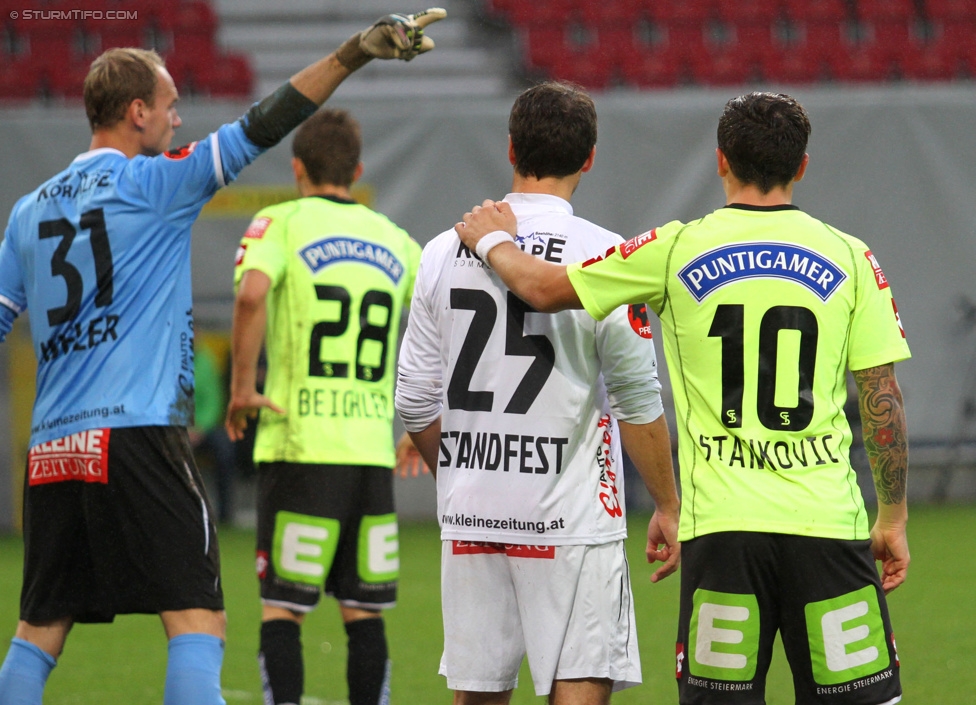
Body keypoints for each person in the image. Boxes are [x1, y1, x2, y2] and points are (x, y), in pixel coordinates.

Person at [0, 8, 444, 704]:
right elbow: (265, 122)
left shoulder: (27, 212)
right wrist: (354, 53)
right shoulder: (156, 184)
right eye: (172, 107)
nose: (179, 121)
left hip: (54, 447)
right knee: (198, 619)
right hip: (138, 432)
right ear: (138, 111)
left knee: (39, 627)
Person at [456, 91, 911, 705]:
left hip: (721, 532)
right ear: (802, 166)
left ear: (719, 160)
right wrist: (893, 516)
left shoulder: (673, 248)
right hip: (826, 525)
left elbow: (541, 289)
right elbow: (883, 397)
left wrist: (494, 241)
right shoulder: (853, 259)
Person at [394, 81, 681, 705]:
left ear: (510, 149)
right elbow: (636, 398)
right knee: (579, 687)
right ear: (590, 157)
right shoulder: (606, 253)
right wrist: (668, 503)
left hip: (472, 510)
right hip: (569, 515)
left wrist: (471, 462)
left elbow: (414, 399)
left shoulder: (444, 250)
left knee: (478, 693)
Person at [224, 108, 422, 705]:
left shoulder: (278, 222)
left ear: (297, 169)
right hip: (368, 452)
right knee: (364, 611)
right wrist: (416, 421)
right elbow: (437, 326)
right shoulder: (397, 240)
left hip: (300, 444)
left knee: (284, 609)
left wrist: (240, 386)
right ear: (357, 171)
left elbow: (253, 294)